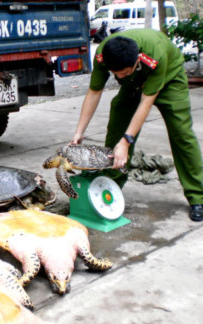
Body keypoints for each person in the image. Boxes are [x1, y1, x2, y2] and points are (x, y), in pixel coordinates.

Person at [70, 28, 203, 221]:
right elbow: (94, 92)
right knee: (117, 126)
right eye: (116, 74)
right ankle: (110, 185)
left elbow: (146, 102)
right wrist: (79, 132)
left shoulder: (154, 54)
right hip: (135, 82)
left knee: (181, 133)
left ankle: (197, 197)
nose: (119, 77)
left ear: (137, 61)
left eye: (123, 73)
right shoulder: (102, 55)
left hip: (169, 78)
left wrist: (126, 142)